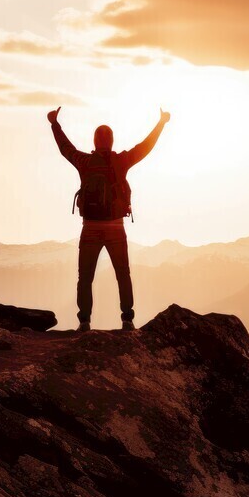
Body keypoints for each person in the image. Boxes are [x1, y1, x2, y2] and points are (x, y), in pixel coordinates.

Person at [48, 106, 170, 331]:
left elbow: (66, 149)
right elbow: (145, 147)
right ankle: (127, 319)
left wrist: (54, 124)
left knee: (85, 277)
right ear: (112, 142)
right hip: (115, 228)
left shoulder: (84, 163)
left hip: (90, 228)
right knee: (122, 274)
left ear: (95, 142)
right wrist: (161, 123)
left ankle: (84, 321)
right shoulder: (121, 162)